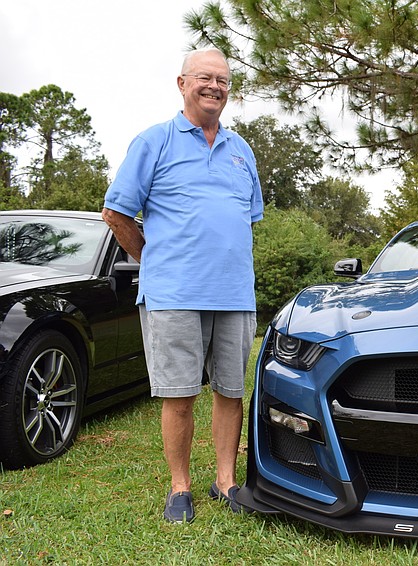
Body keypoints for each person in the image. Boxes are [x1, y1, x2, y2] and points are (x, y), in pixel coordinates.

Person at [102, 47, 264, 524]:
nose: (214, 87)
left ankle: (225, 481)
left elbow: (246, 220)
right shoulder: (154, 142)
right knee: (179, 395)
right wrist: (155, 261)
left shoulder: (242, 151)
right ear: (182, 84)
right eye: (204, 78)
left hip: (234, 293)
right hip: (174, 295)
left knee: (231, 391)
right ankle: (180, 488)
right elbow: (115, 213)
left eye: (223, 80)